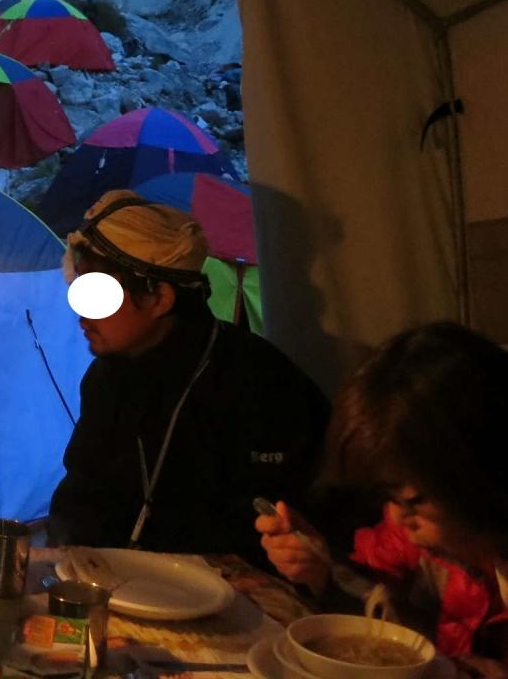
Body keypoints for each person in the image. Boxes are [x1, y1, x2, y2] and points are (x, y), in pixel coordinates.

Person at [48, 190, 330, 564]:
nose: (82, 314)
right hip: (116, 579)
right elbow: (80, 495)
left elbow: (297, 526)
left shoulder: (263, 383)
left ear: (160, 298)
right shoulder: (106, 378)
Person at [257, 323, 508, 675]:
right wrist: (320, 570)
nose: (396, 516)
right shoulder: (414, 541)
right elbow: (379, 606)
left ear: (481, 476)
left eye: (414, 500)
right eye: (388, 494)